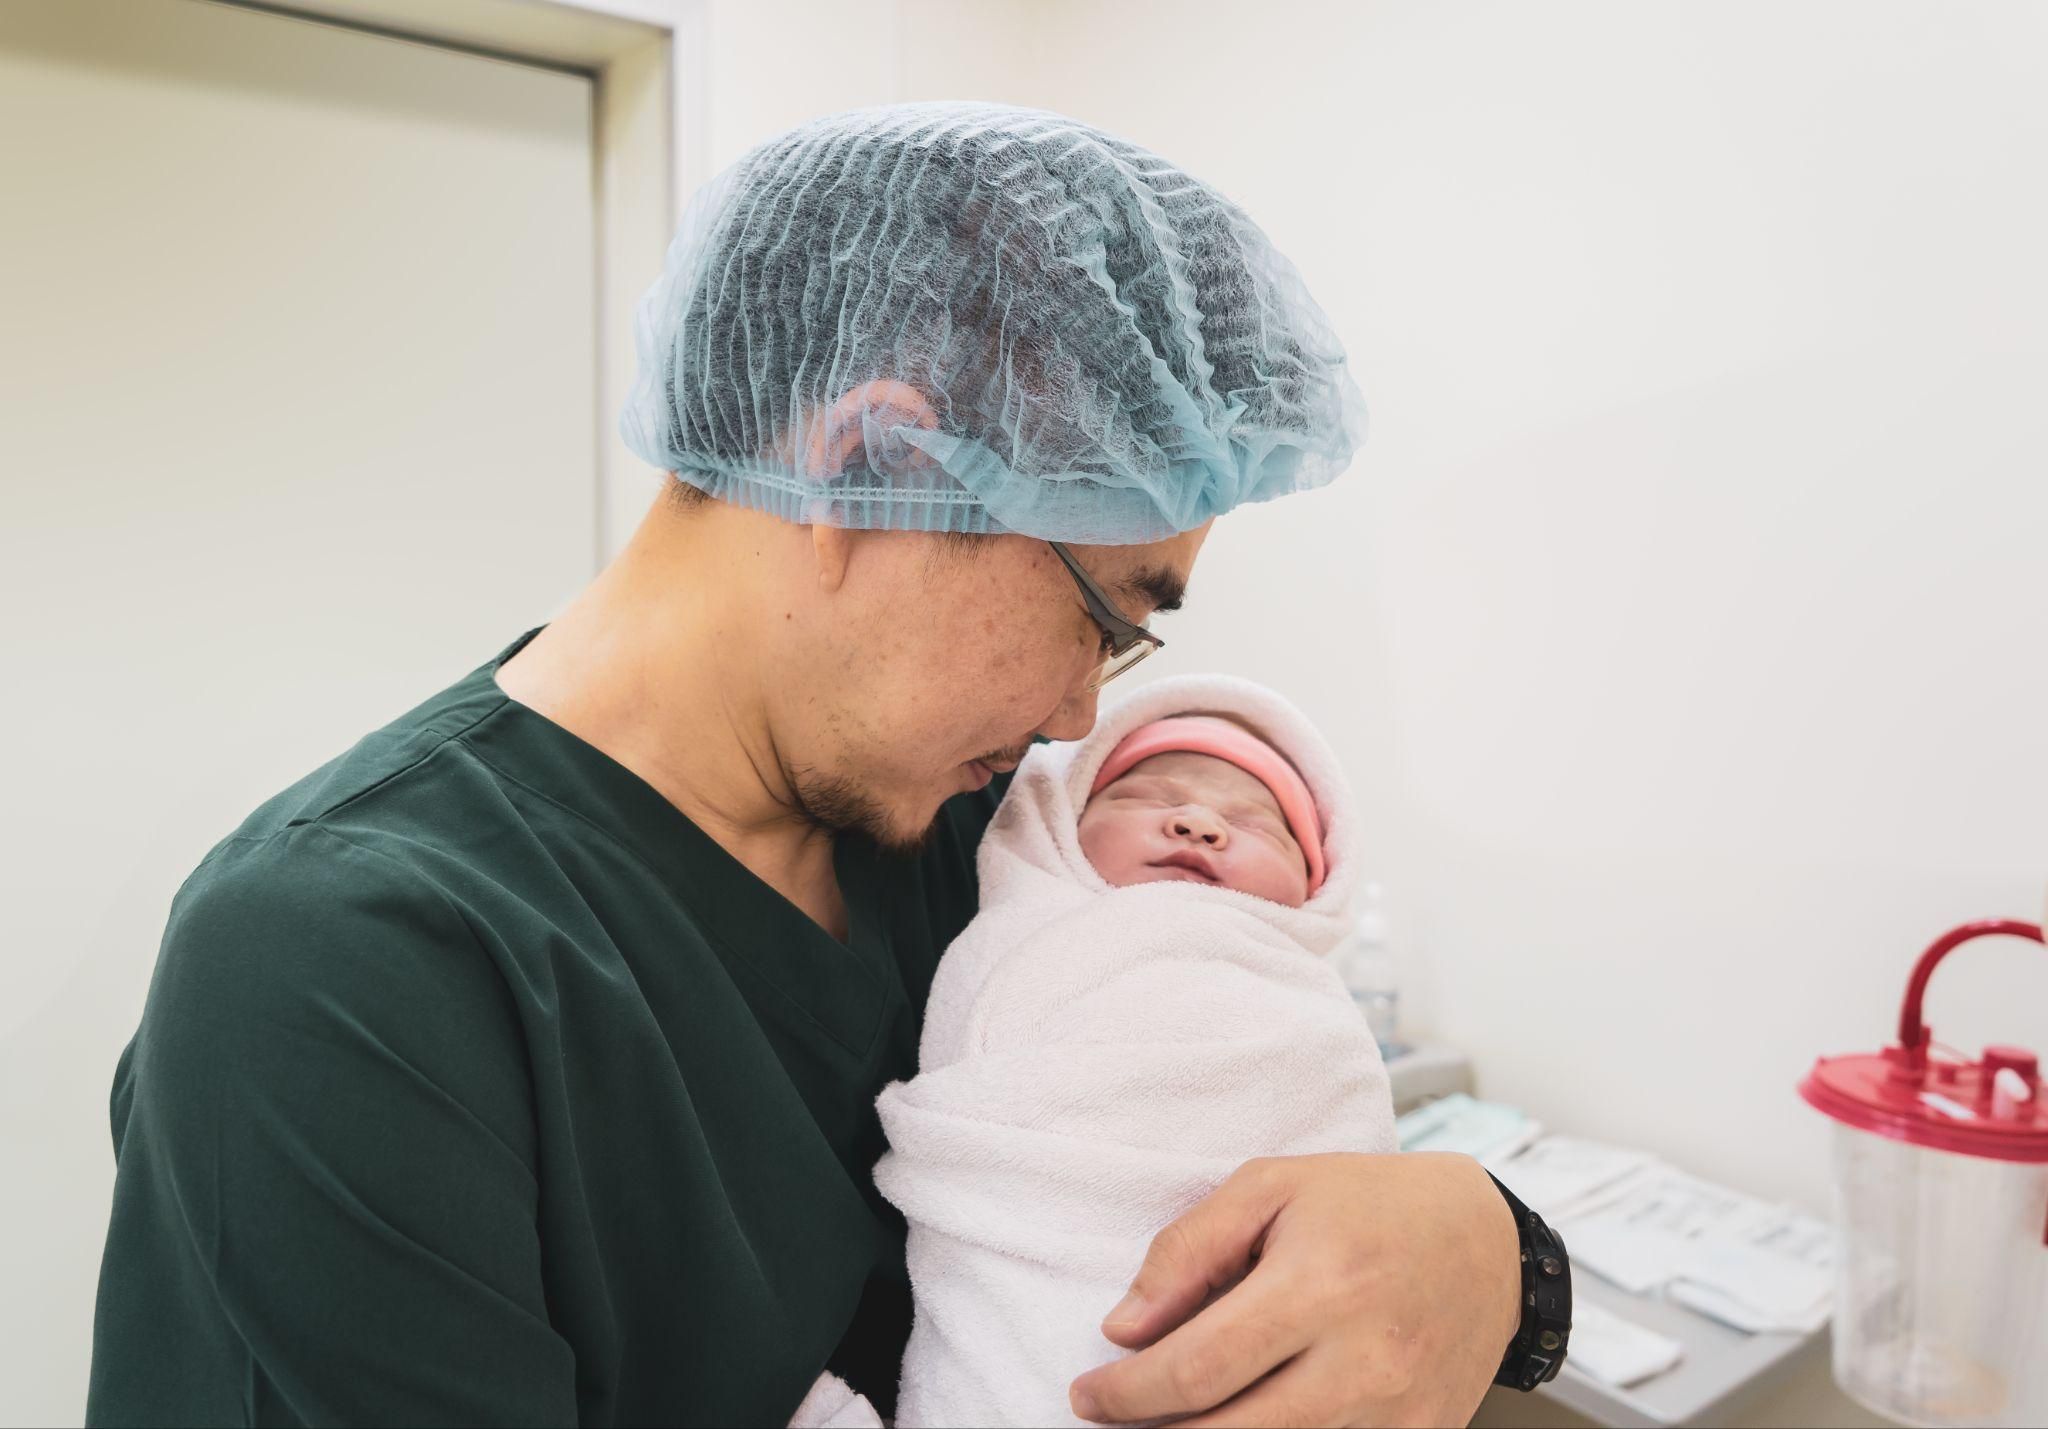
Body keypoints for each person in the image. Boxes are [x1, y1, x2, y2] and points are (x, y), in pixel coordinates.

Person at [88, 102, 1549, 1427]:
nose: (1070, 716)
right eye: (1103, 615)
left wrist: (1493, 1253)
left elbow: (1207, 1112)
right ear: (874, 465)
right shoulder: (346, 966)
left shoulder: (993, 837)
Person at [818, 675, 1400, 1426]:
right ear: (1063, 825)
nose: (1197, 822)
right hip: (1021, 1288)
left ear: (1318, 885)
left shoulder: (1307, 1011)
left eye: (1257, 823)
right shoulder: (1011, 939)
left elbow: (1356, 1185)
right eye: (1148, 797)